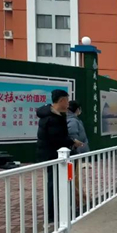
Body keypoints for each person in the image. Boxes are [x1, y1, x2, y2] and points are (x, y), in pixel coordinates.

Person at [36, 90, 83, 221]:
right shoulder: (51, 118)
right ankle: (52, 214)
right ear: (61, 100)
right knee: (54, 184)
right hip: (52, 155)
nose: (68, 104)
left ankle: (62, 210)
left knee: (60, 182)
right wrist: (72, 142)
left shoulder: (56, 115)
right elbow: (56, 138)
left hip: (57, 155)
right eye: (67, 101)